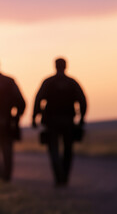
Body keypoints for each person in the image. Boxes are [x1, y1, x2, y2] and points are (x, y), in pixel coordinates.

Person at [32, 57, 87, 187]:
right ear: (65, 66)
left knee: (54, 150)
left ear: (55, 66)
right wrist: (82, 118)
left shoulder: (48, 82)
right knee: (68, 150)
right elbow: (82, 101)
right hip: (67, 121)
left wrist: (35, 117)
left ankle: (59, 177)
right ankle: (64, 177)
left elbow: (38, 100)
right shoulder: (72, 82)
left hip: (52, 122)